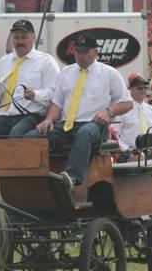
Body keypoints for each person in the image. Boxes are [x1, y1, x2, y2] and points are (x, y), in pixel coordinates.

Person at [27, 32, 133, 189]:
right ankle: (30, 176)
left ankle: (72, 178)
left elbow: (127, 103)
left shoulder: (110, 73)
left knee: (85, 133)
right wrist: (48, 120)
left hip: (94, 125)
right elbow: (57, 104)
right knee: (32, 137)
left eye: (85, 52)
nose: (80, 56)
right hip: (65, 126)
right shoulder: (65, 73)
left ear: (96, 52)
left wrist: (108, 112)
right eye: (77, 51)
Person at [0, 19, 60, 138]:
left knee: (16, 135)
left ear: (34, 37)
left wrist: (35, 95)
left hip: (32, 116)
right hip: (4, 116)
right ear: (12, 39)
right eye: (16, 37)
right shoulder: (3, 62)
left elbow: (56, 94)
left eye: (24, 37)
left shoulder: (46, 62)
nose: (20, 41)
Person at [113, 73, 152, 160]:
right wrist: (128, 150)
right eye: (139, 88)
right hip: (130, 153)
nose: (143, 91)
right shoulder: (123, 110)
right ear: (131, 90)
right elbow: (115, 136)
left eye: (145, 88)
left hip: (151, 151)